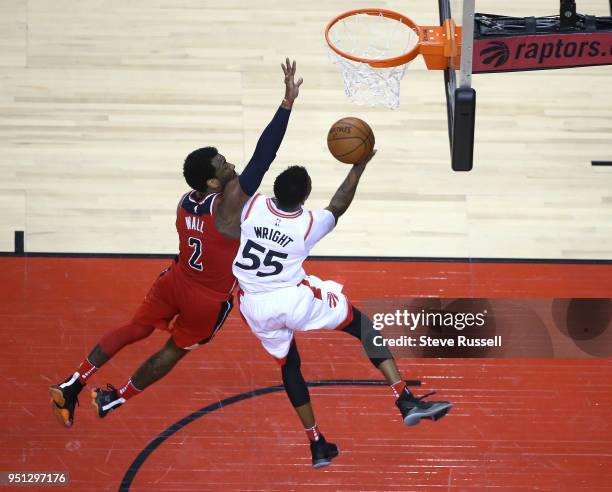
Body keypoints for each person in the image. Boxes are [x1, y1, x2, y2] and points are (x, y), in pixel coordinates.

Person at [49, 59, 303, 427]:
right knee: (174, 349)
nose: (231, 165)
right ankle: (114, 400)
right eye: (223, 166)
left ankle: (73, 383)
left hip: (176, 280)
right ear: (213, 184)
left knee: (136, 327)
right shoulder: (230, 204)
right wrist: (286, 105)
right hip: (207, 299)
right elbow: (264, 158)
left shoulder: (187, 200)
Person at [232, 154, 453, 468]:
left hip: (253, 305)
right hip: (292, 299)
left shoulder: (250, 207)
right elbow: (339, 203)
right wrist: (358, 166)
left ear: (275, 190)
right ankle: (404, 398)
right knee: (362, 326)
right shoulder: (308, 223)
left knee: (289, 366)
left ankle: (317, 443)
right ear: (305, 197)